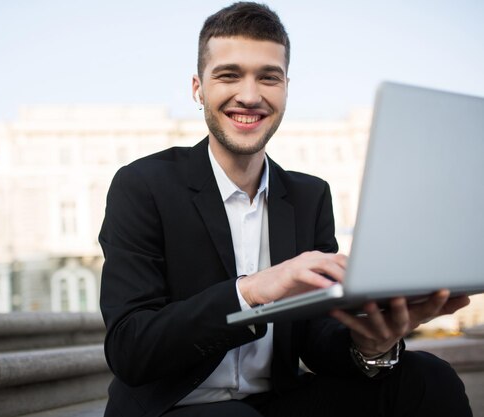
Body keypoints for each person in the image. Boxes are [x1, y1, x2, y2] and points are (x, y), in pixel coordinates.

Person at [98, 2, 472, 416]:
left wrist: (369, 345)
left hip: (277, 402)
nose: (250, 95)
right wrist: (252, 291)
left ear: (286, 88)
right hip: (174, 406)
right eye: (229, 75)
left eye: (268, 78)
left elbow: (319, 337)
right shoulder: (143, 185)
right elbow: (130, 348)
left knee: (428, 377)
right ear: (197, 88)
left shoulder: (310, 195)